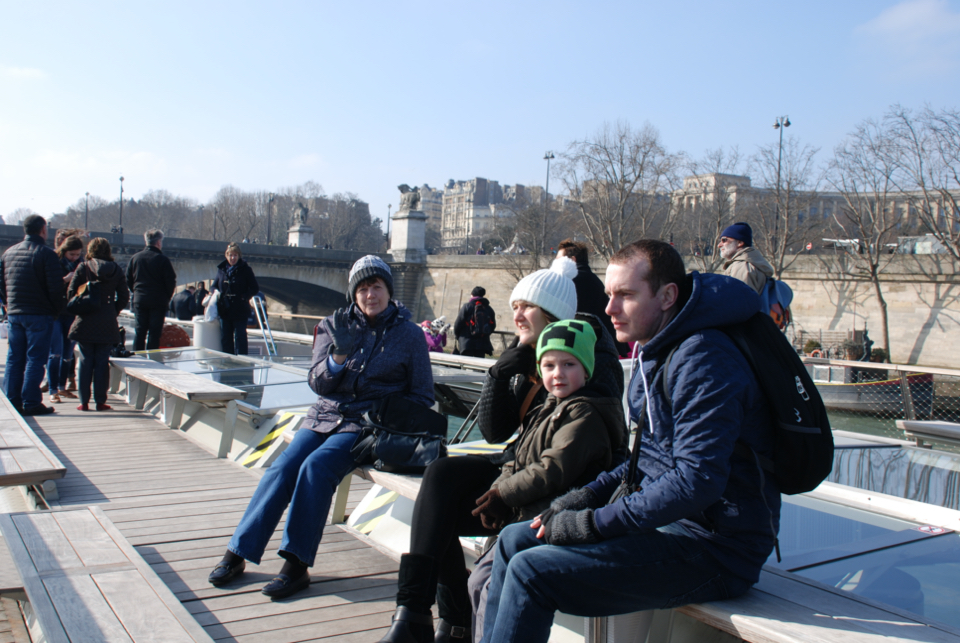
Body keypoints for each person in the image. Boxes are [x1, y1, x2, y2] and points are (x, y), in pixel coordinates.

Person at [479, 240, 781, 643]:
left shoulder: (705, 360)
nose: (609, 309)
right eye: (608, 295)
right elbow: (649, 459)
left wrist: (590, 523)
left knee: (531, 572)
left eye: (625, 295)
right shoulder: (657, 351)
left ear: (667, 296)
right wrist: (580, 499)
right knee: (516, 538)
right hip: (674, 526)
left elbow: (697, 481)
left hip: (717, 548)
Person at [380, 257, 627, 643]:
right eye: (514, 306)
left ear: (552, 311)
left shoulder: (587, 345)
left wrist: (504, 491)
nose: (517, 315)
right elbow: (497, 432)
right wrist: (498, 373)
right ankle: (414, 612)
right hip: (519, 463)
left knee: (441, 505)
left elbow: (584, 431)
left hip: (562, 486)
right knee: (441, 478)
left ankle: (453, 621)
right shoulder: (524, 348)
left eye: (525, 306)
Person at [207, 255, 434, 599]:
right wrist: (338, 358)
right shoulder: (333, 325)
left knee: (316, 467)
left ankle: (296, 565)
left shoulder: (410, 336)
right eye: (362, 288)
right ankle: (238, 552)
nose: (370, 295)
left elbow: (422, 395)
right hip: (324, 415)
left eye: (377, 287)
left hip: (366, 426)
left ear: (388, 290)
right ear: (353, 293)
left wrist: (386, 412)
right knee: (282, 468)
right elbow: (317, 382)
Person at [0, 214, 66, 416]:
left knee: (14, 358)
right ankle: (31, 402)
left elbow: (2, 286)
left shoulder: (8, 253)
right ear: (43, 230)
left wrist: (8, 305)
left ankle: (12, 400)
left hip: (15, 314)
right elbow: (55, 289)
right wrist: (56, 312)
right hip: (39, 314)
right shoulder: (47, 254)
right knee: (36, 359)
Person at [67, 238, 130, 412]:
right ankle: (101, 401)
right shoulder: (116, 270)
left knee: (86, 360)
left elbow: (71, 293)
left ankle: (84, 402)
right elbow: (124, 296)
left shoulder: (83, 267)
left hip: (85, 320)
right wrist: (112, 310)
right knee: (102, 362)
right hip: (107, 322)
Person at [557, 238, 630, 358]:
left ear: (572, 261)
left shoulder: (571, 282)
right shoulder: (592, 279)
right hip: (610, 347)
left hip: (594, 351)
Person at [47, 235, 85, 403]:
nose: (74, 258)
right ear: (64, 251)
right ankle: (52, 389)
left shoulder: (82, 265)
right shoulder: (54, 262)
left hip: (72, 312)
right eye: (71, 255)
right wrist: (65, 280)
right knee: (55, 352)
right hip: (55, 313)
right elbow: (48, 286)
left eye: (77, 255)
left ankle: (62, 387)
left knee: (68, 354)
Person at [126, 229, 176, 351]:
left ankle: (137, 357)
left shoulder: (135, 258)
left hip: (140, 299)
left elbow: (128, 279)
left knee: (140, 331)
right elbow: (170, 282)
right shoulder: (162, 260)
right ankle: (152, 359)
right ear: (158, 242)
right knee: (154, 333)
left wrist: (136, 292)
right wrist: (166, 297)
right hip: (158, 301)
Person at [211, 243, 259, 355]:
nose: (233, 258)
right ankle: (227, 361)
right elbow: (214, 285)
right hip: (225, 309)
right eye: (231, 255)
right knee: (226, 337)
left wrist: (244, 297)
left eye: (235, 255)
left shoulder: (246, 269)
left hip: (240, 309)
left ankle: (241, 360)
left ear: (239, 256)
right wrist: (215, 293)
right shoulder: (221, 270)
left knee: (240, 337)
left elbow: (254, 288)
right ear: (226, 256)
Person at [718, 222, 773, 294]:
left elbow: (739, 301)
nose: (719, 245)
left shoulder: (742, 267)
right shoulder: (751, 262)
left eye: (724, 240)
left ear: (740, 242)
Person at [454, 287, 496, 358]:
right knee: (478, 365)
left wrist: (457, 335)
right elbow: (493, 325)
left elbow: (458, 324)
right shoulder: (489, 309)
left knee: (464, 365)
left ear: (472, 294)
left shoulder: (467, 306)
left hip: (466, 342)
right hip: (482, 343)